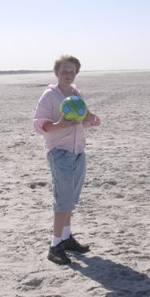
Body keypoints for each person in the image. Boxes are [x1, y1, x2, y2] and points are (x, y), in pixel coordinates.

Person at [33, 54, 100, 265]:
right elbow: (39, 125)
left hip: (78, 150)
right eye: (64, 71)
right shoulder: (49, 96)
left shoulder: (77, 93)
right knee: (62, 200)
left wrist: (90, 119)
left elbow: (81, 121)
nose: (68, 75)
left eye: (72, 71)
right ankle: (54, 246)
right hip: (59, 152)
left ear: (76, 73)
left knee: (71, 198)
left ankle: (67, 237)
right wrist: (62, 124)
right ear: (57, 73)